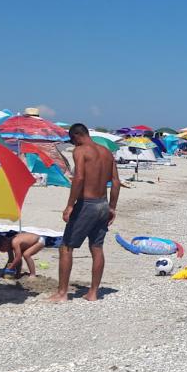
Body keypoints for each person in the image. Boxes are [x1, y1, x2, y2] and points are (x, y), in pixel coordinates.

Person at [50, 123, 121, 302]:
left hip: (87, 205)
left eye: (73, 141)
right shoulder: (106, 153)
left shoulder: (80, 151)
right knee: (97, 248)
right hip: (103, 204)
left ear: (76, 136)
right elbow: (116, 182)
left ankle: (62, 293)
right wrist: (112, 207)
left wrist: (70, 205)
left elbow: (79, 177)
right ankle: (93, 293)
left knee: (66, 247)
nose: (73, 145)